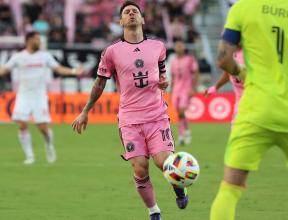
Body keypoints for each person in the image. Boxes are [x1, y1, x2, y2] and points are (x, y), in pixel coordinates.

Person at [210, 0, 288, 219]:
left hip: (254, 111)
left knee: (230, 187)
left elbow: (223, 58)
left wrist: (242, 73)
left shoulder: (242, 8)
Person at [71, 1, 188, 220]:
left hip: (156, 116)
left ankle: (179, 188)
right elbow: (99, 83)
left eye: (135, 11)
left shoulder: (158, 47)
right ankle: (154, 211)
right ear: (121, 21)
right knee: (140, 168)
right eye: (126, 12)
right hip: (129, 120)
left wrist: (164, 82)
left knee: (164, 163)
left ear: (142, 19)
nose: (131, 13)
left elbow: (162, 73)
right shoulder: (111, 52)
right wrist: (86, 111)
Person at [0, 31, 84, 165]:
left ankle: (49, 145)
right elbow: (4, 70)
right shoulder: (18, 57)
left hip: (39, 97)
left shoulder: (45, 56)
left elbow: (58, 69)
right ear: (29, 40)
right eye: (36, 39)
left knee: (42, 128)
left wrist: (73, 71)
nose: (39, 41)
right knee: (22, 124)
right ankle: (30, 156)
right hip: (24, 96)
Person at [170, 39, 199, 146]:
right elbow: (173, 76)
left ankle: (186, 132)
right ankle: (181, 136)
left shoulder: (190, 59)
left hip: (186, 89)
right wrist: (171, 89)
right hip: (176, 90)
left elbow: (195, 72)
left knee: (182, 111)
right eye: (177, 46)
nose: (178, 47)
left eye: (180, 45)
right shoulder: (173, 61)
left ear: (184, 48)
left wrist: (193, 88)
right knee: (178, 113)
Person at [204, 49, 244, 122]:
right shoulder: (231, 53)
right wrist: (215, 87)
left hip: (253, 98)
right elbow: (227, 73)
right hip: (239, 101)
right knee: (235, 130)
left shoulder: (249, 53)